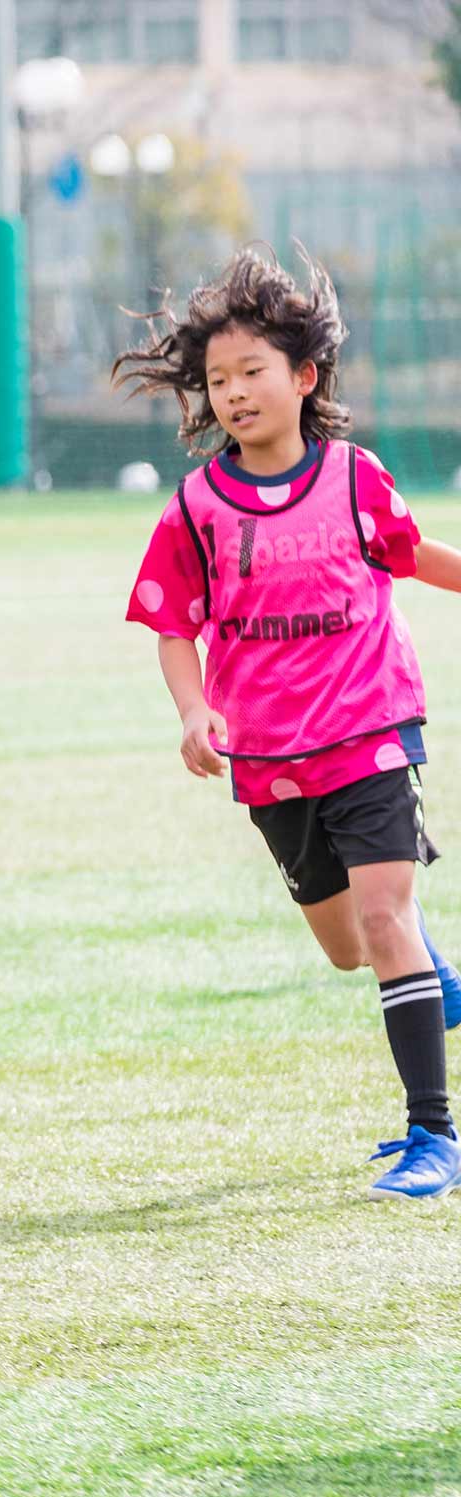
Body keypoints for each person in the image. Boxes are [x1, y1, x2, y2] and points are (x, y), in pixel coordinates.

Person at [118, 248, 461, 1203]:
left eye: (252, 372)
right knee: (351, 944)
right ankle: (435, 978)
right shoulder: (196, 508)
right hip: (272, 758)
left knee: (387, 914)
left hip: (373, 729)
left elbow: (410, 553)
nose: (233, 393)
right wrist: (193, 712)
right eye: (217, 380)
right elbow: (171, 628)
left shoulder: (354, 479)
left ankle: (434, 1132)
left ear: (305, 377)